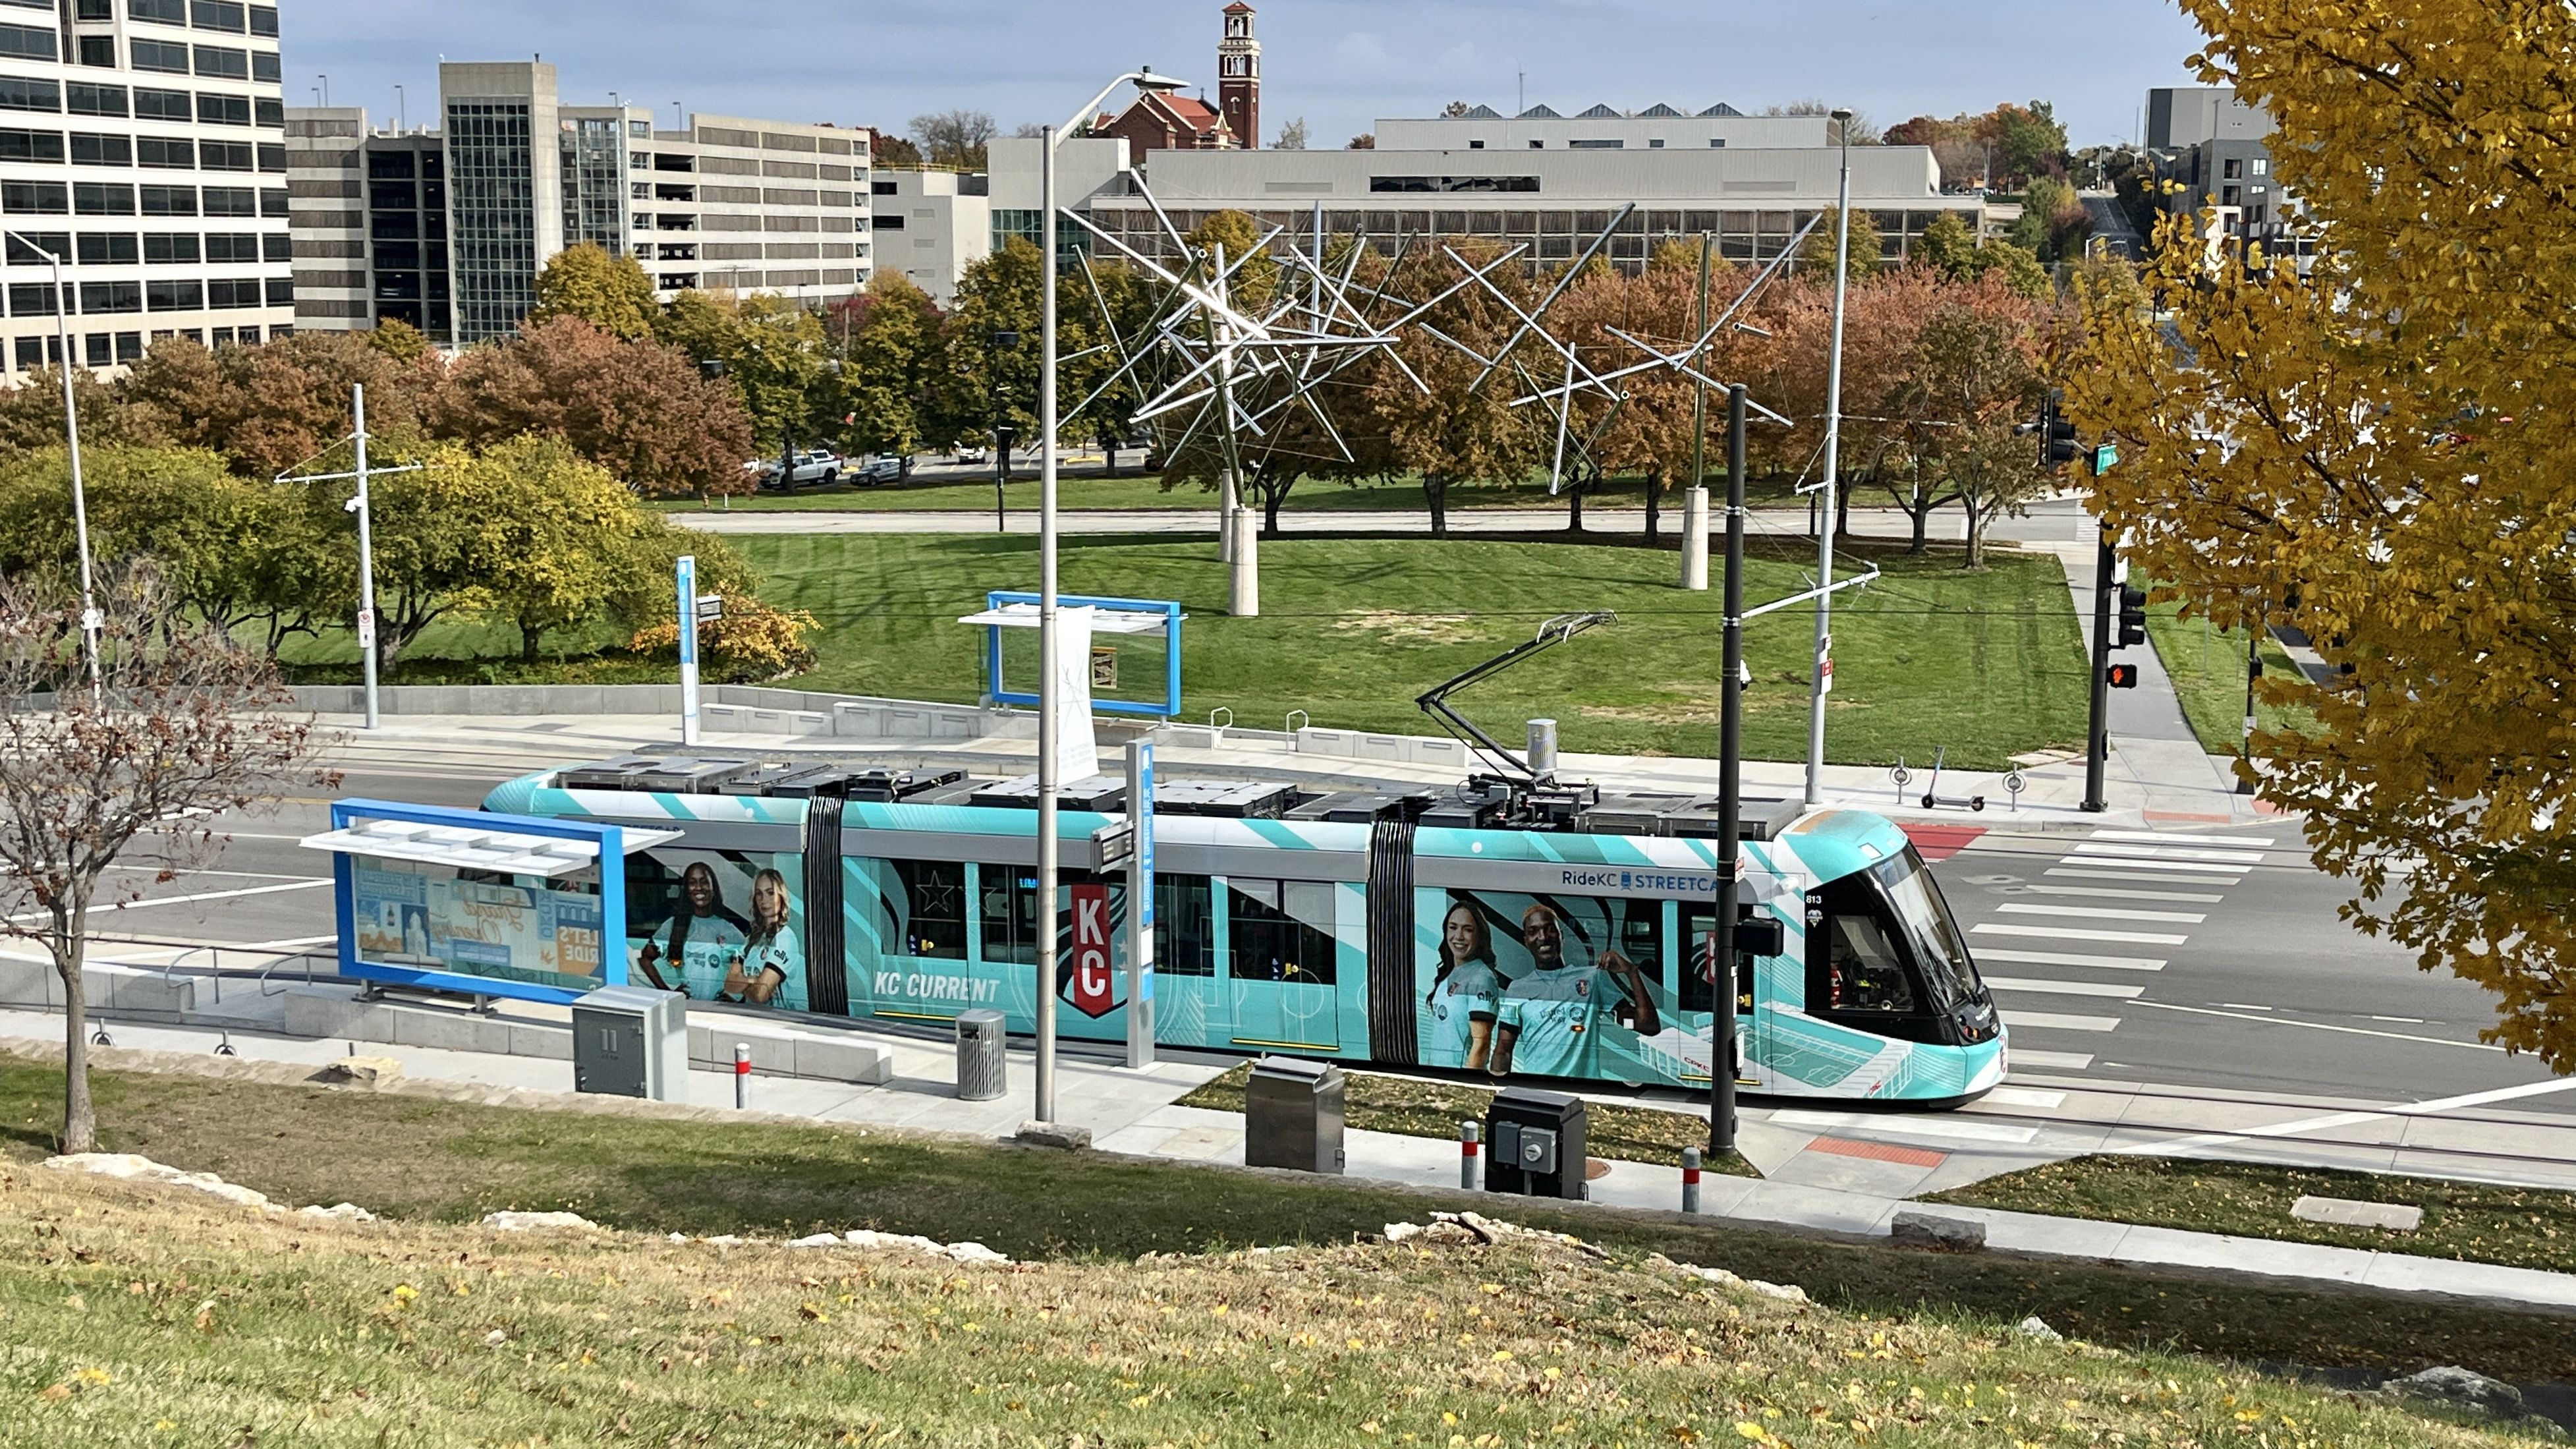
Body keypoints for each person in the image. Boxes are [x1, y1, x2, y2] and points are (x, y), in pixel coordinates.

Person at [1489, 902, 1661, 1081]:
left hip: (1584, 1092)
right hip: (1537, 1091)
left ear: (1561, 935)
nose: (1543, 937)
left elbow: (1648, 1025)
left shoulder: (1593, 979)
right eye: (1533, 932)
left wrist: (1631, 972)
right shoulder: (1517, 989)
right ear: (1526, 941)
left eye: (1550, 929)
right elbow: (1503, 1052)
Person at [635, 861, 746, 995]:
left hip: (717, 1011)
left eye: (704, 882)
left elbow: (749, 965)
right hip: (687, 1007)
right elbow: (645, 959)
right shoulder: (674, 925)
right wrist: (667, 992)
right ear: (687, 890)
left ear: (714, 888)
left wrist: (734, 997)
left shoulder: (728, 929)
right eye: (692, 883)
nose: (699, 888)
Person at [1423, 899, 1503, 1071]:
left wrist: (1465, 1086)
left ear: (1479, 935)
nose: (1458, 936)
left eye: (1468, 930)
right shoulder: (1448, 976)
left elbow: (1481, 1046)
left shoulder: (1482, 978)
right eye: (1453, 928)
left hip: (1457, 1082)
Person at [723, 868, 804, 1009]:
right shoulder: (752, 939)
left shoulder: (785, 938)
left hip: (778, 1018)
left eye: (770, 893)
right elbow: (729, 985)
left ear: (781, 897)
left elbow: (761, 994)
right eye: (759, 894)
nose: (764, 900)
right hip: (754, 1017)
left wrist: (743, 982)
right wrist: (754, 981)